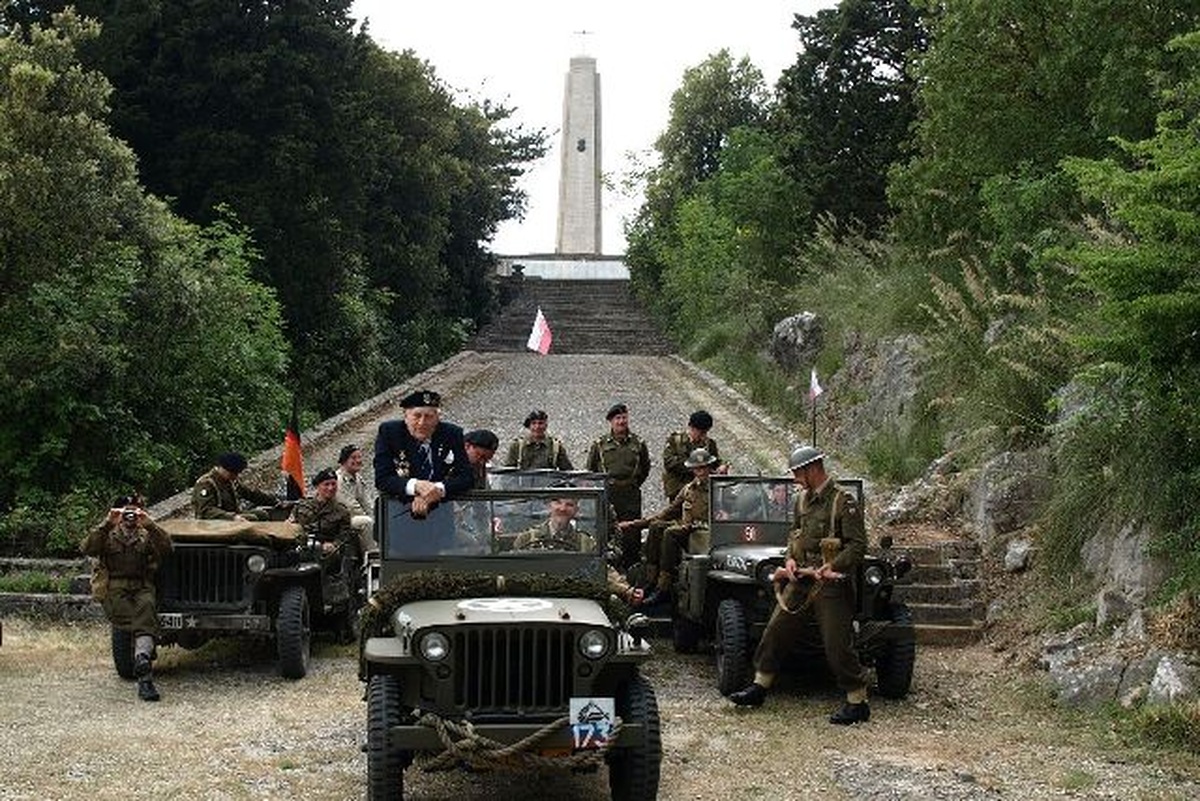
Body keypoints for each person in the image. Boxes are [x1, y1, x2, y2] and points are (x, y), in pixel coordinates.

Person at [728, 445, 871, 725]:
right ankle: (760, 685)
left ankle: (857, 700)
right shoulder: (801, 500)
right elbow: (794, 536)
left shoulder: (843, 501)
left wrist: (833, 565)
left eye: (797, 473)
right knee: (775, 631)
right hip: (801, 579)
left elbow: (857, 546)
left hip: (830, 585)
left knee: (836, 644)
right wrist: (790, 560)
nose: (794, 479)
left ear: (812, 469)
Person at [81, 494, 173, 702]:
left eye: (135, 510)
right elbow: (88, 548)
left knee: (146, 610)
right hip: (115, 587)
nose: (130, 515)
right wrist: (107, 523)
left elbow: (167, 548)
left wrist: (151, 525)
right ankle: (143, 658)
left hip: (142, 586)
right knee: (142, 623)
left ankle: (143, 666)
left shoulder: (146, 534)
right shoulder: (107, 534)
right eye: (126, 510)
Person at [620, 448, 716, 606]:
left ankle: (663, 587)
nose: (700, 472)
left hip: (705, 532)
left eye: (703, 468)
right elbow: (667, 513)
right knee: (656, 526)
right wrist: (634, 525)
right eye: (697, 468)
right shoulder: (689, 489)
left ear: (709, 467)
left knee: (671, 533)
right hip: (688, 530)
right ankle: (650, 580)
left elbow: (733, 510)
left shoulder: (717, 488)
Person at [512, 492, 643, 606]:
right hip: (533, 597)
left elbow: (601, 569)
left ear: (576, 510)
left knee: (614, 604)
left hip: (573, 597)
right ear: (549, 506)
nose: (562, 508)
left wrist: (626, 590)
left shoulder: (585, 542)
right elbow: (511, 569)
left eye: (569, 504)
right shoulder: (527, 538)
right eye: (557, 502)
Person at [373, 389, 473, 518]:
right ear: (406, 417)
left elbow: (466, 477)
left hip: (441, 512)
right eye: (417, 416)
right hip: (398, 513)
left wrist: (437, 489)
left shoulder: (452, 433)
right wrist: (416, 486)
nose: (422, 423)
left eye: (429, 417)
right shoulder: (390, 432)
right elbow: (382, 478)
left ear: (437, 418)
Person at [585, 403, 651, 568]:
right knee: (606, 529)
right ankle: (608, 566)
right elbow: (591, 470)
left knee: (632, 532)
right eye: (617, 418)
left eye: (624, 417)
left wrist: (632, 484)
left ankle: (631, 568)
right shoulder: (600, 444)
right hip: (608, 493)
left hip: (630, 494)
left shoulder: (638, 443)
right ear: (611, 421)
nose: (621, 421)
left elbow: (645, 468)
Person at [192, 452, 278, 521]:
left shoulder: (230, 482)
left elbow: (250, 494)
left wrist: (274, 502)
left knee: (262, 514)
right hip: (215, 521)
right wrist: (233, 517)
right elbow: (206, 511)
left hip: (231, 516)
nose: (235, 477)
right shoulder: (206, 484)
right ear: (223, 468)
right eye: (232, 473)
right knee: (252, 518)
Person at [290, 467, 356, 557]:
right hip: (299, 549)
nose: (330, 488)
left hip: (325, 554)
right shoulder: (302, 505)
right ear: (317, 486)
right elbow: (290, 526)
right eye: (326, 484)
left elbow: (345, 536)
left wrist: (334, 545)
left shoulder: (342, 511)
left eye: (333, 484)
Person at [661, 410, 724, 501]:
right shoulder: (675, 441)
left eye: (706, 432)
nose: (703, 436)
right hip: (678, 489)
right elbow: (669, 463)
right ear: (692, 427)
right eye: (701, 433)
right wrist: (695, 466)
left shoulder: (709, 444)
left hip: (701, 491)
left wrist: (721, 466)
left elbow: (715, 460)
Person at [335, 444, 376, 553]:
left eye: (359, 457)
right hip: (342, 518)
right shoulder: (338, 480)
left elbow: (366, 503)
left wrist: (375, 517)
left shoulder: (358, 478)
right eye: (353, 458)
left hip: (356, 517)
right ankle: (372, 554)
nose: (358, 461)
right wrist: (370, 519)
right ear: (344, 461)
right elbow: (351, 506)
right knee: (366, 522)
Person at [503, 409, 574, 470]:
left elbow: (568, 471)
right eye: (534, 423)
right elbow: (508, 472)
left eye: (540, 423)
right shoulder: (517, 446)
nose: (537, 427)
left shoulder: (555, 447)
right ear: (529, 426)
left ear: (546, 425)